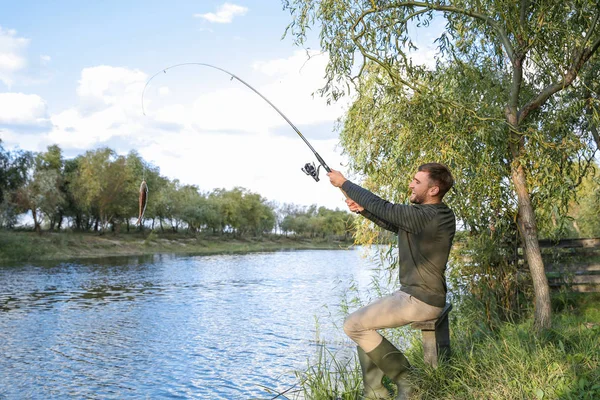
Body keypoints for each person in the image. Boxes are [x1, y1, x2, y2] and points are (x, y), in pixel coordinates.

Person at [327, 163, 456, 400]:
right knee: (359, 322)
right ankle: (375, 392)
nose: (411, 184)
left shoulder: (430, 216)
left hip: (421, 299)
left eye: (417, 182)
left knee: (353, 326)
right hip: (415, 295)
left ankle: (407, 381)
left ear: (433, 190)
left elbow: (385, 209)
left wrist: (344, 183)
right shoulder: (434, 215)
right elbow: (392, 223)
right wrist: (363, 211)